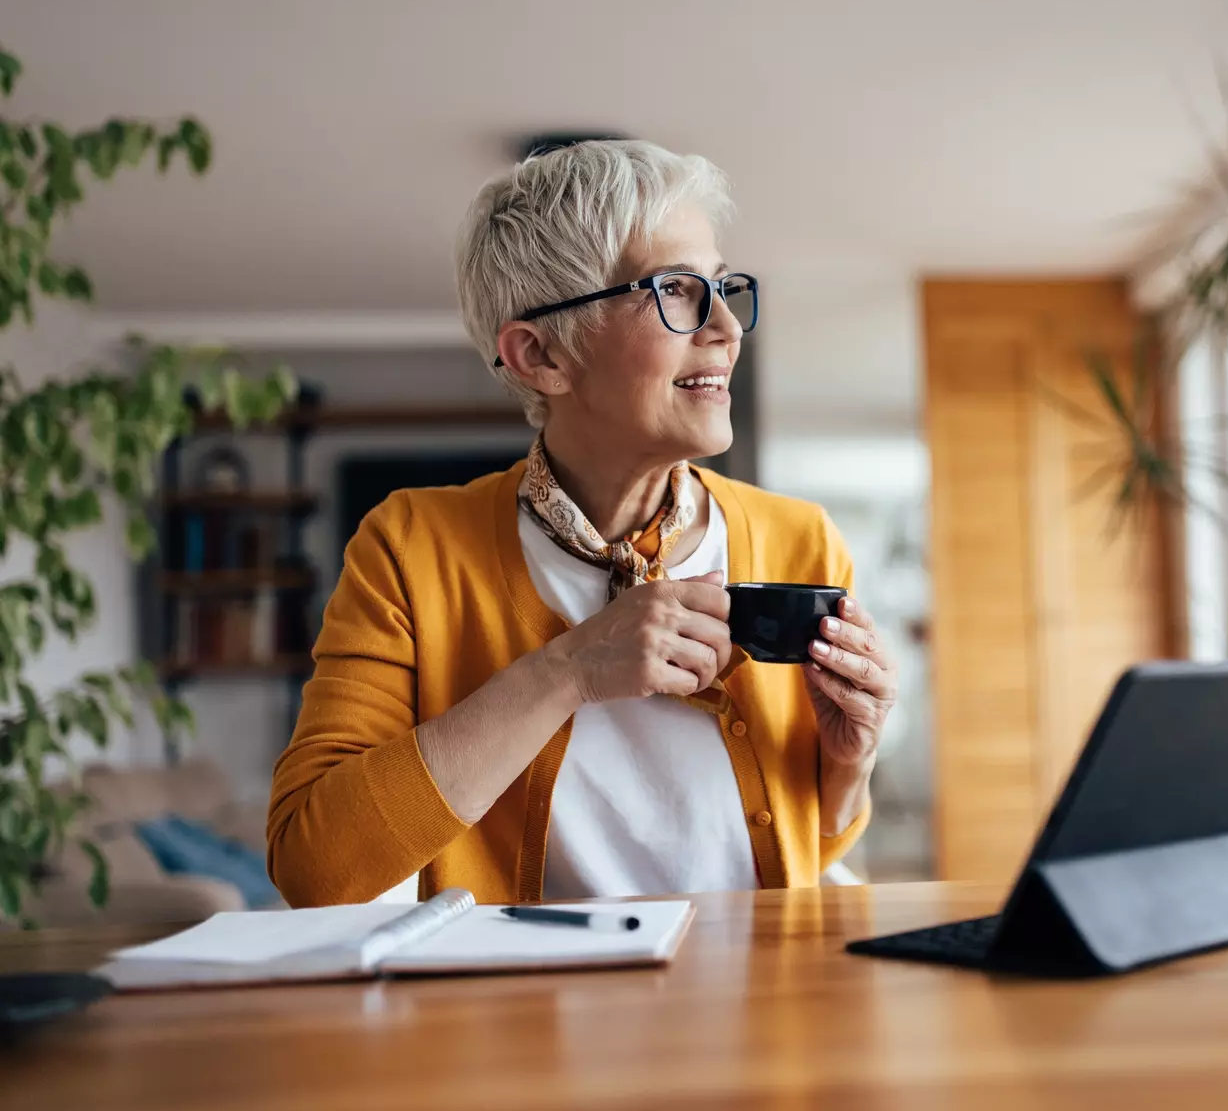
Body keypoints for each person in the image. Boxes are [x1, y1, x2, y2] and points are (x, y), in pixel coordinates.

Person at [267, 140, 897, 906]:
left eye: (722, 287)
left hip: (766, 1012)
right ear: (539, 356)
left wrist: (850, 763)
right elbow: (316, 872)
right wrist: (565, 670)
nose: (728, 328)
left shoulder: (803, 540)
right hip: (525, 1016)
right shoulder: (410, 547)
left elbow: (816, 840)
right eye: (676, 290)